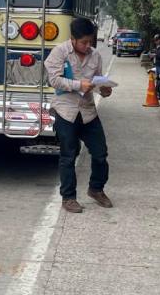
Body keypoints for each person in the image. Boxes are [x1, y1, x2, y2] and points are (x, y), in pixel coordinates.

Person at [44, 17, 113, 213]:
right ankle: (68, 198)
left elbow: (98, 81)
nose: (87, 45)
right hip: (66, 111)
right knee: (68, 155)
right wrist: (77, 85)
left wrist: (104, 90)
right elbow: (54, 80)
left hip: (88, 112)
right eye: (83, 42)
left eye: (90, 41)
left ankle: (96, 189)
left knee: (100, 153)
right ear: (73, 39)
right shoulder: (59, 52)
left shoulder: (95, 56)